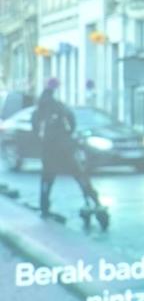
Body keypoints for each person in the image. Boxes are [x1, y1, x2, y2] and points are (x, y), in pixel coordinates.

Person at [32, 79, 105, 226]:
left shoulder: (39, 110)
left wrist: (42, 141)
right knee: (79, 175)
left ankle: (44, 207)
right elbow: (72, 123)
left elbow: (35, 128)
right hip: (65, 148)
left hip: (49, 150)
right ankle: (94, 200)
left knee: (47, 179)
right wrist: (68, 137)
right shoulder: (61, 107)